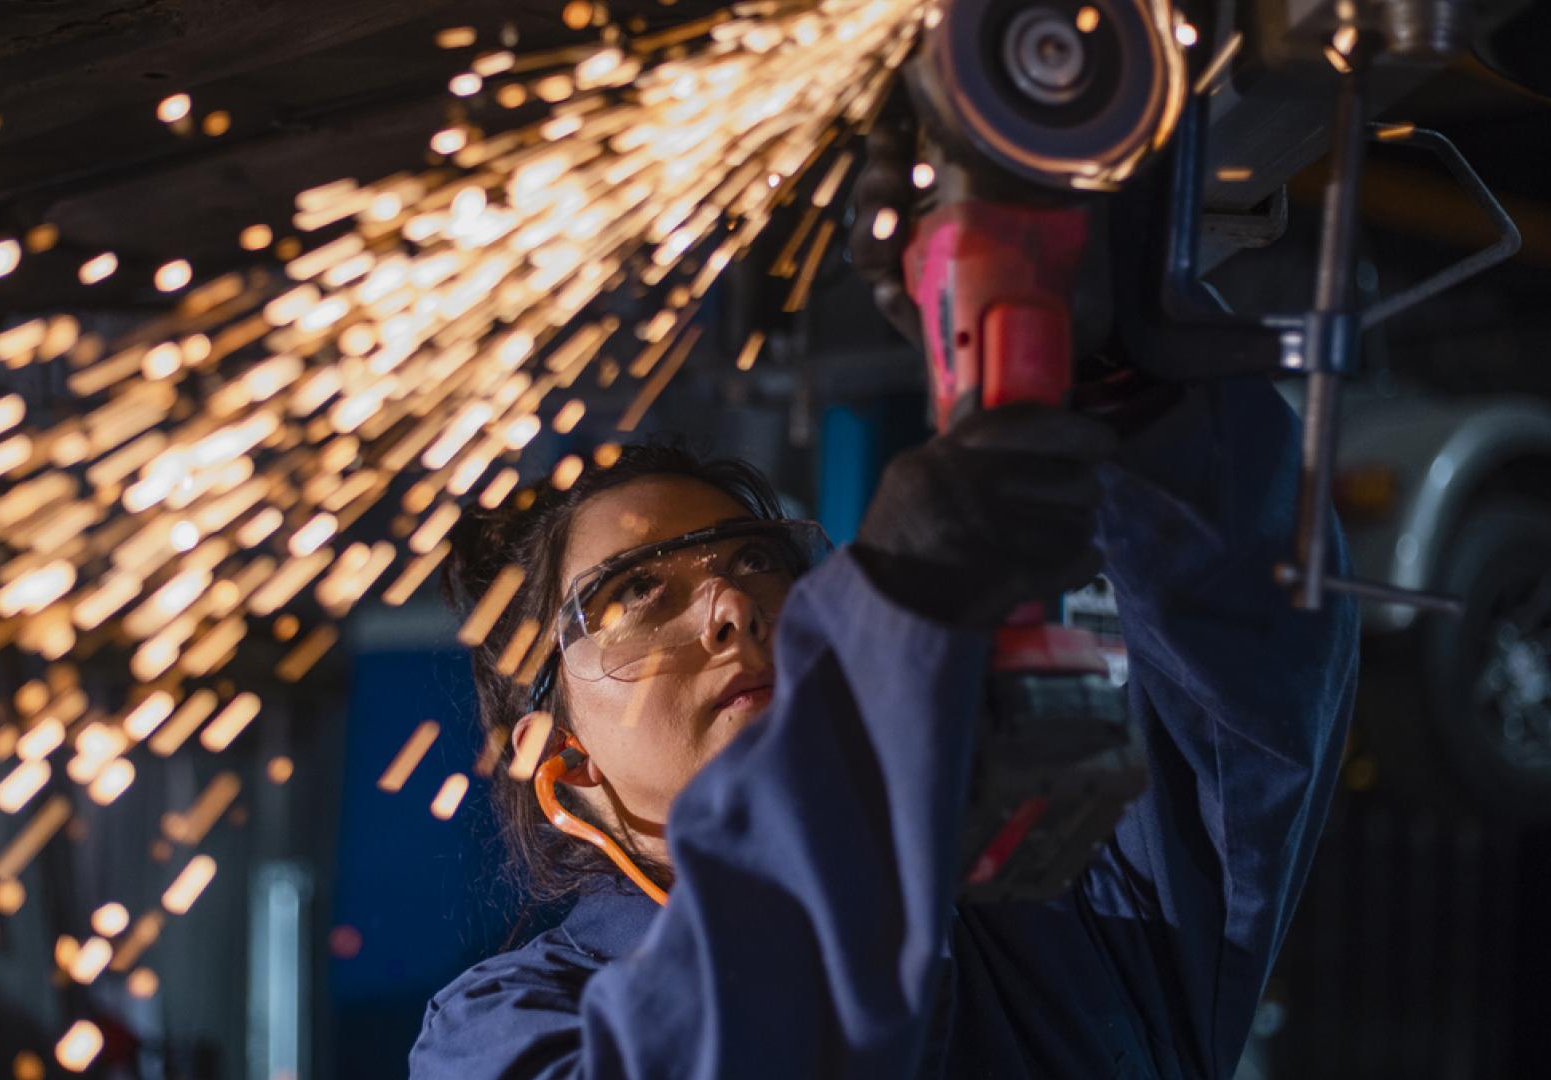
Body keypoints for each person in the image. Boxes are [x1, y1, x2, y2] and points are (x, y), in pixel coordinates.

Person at [407, 140, 1359, 1080]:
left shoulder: (1064, 914)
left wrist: (1121, 377)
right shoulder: (507, 1033)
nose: (734, 604)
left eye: (756, 560)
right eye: (636, 593)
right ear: (559, 757)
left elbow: (1257, 669)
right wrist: (889, 629)